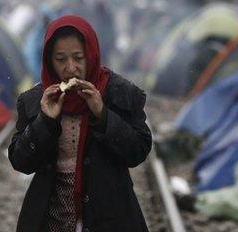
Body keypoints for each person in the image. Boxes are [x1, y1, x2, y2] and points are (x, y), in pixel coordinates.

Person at [8, 15, 152, 232]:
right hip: (53, 219)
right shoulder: (37, 100)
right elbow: (20, 162)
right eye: (60, 59)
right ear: (49, 61)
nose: (70, 68)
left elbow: (137, 151)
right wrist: (45, 121)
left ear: (91, 55)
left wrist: (102, 114)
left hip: (108, 218)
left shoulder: (118, 93)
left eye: (78, 57)